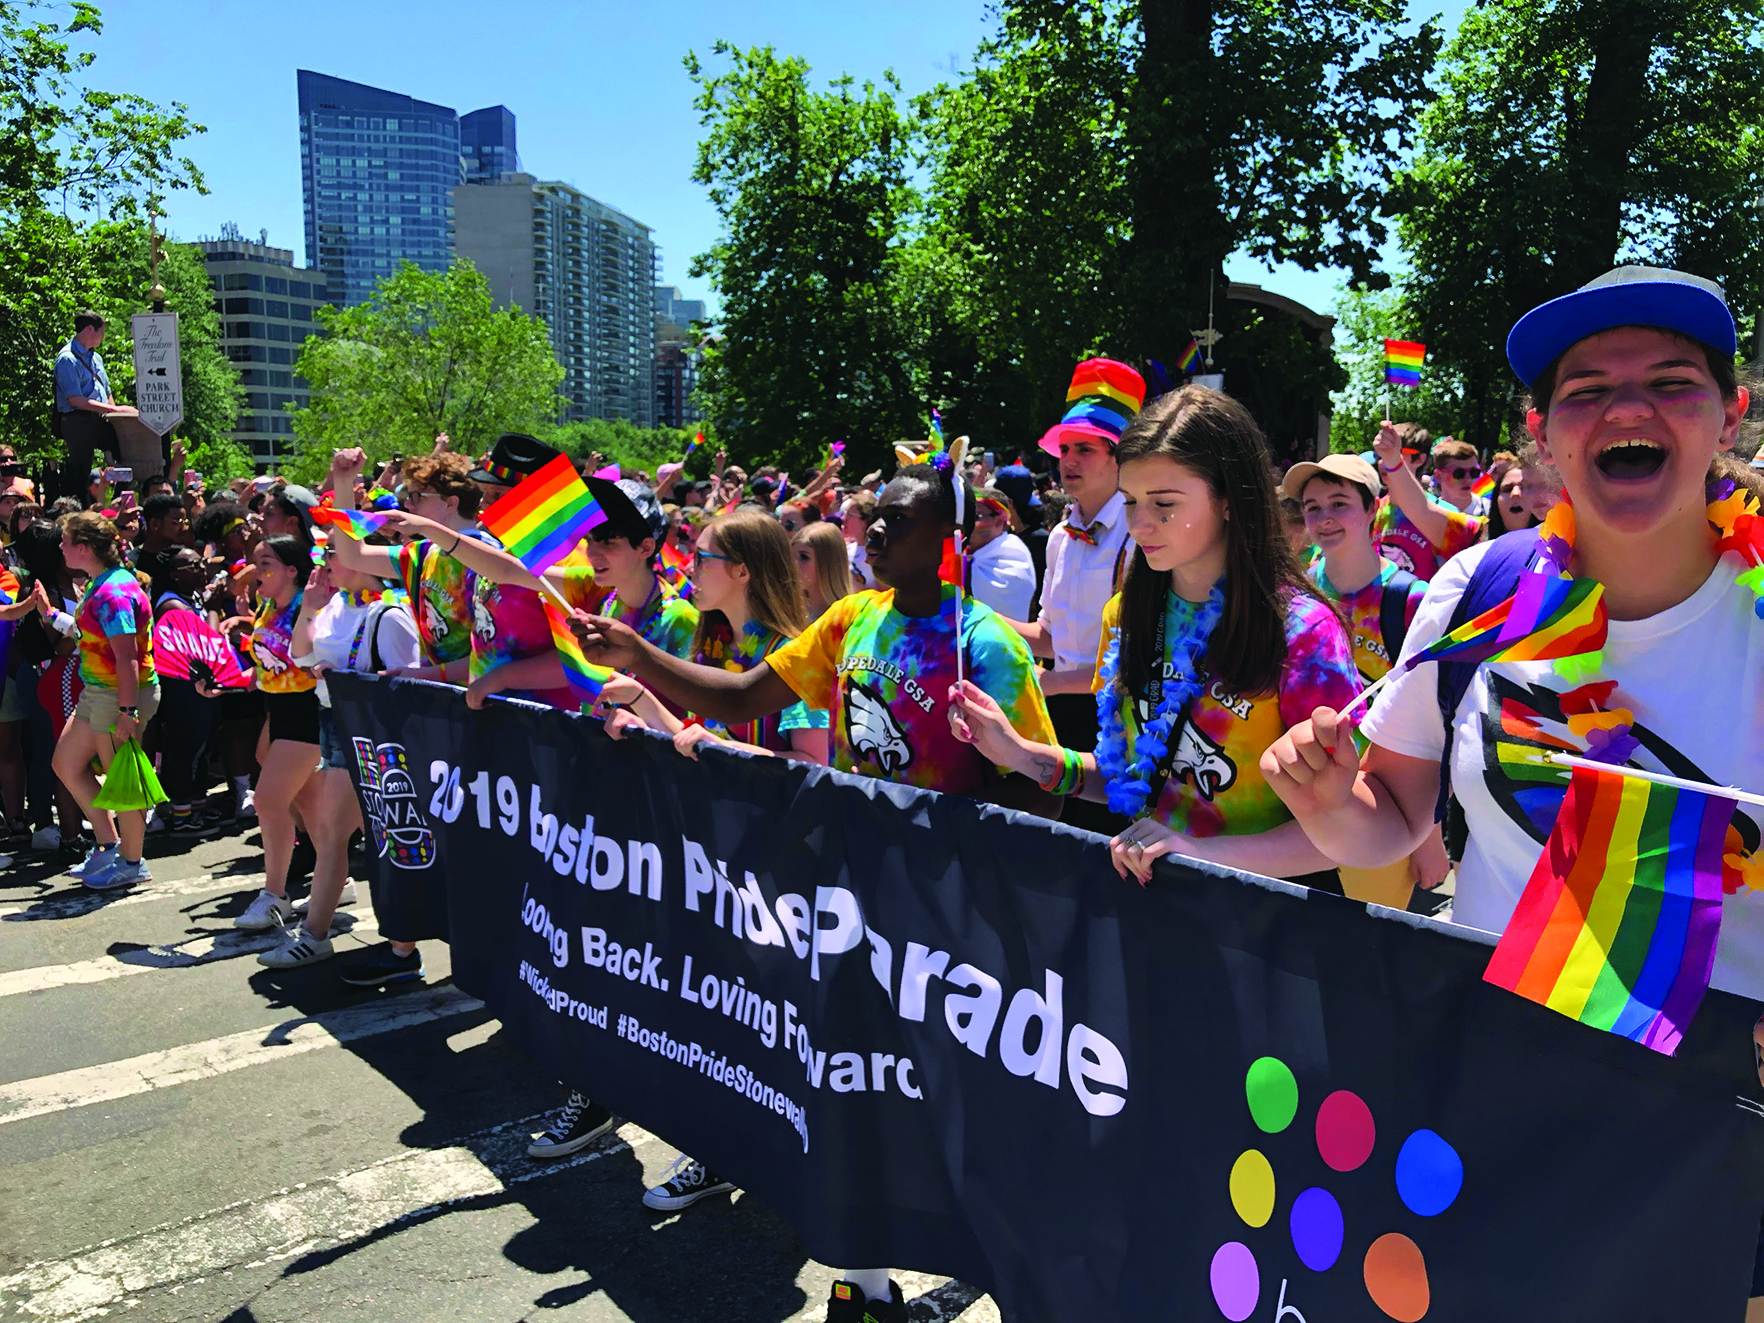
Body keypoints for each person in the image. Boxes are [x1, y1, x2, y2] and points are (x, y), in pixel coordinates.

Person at [1259, 271, 1764, 1316]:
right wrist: (1322, 809)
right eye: (1586, 392)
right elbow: (1393, 814)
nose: (1627, 409)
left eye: (1672, 381)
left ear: (1732, 411)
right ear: (1542, 433)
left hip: (1727, 1140)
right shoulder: (1480, 590)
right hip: (1506, 1111)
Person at [573, 458, 1055, 1321]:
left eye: (897, 522)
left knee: (959, 1103)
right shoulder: (849, 619)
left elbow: (1038, 791)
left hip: (955, 917)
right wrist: (642, 657)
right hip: (861, 901)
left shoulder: (986, 644)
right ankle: (868, 1289)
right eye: (872, 520)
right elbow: (742, 693)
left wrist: (978, 808)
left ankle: (999, 1261)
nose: (874, 534)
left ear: (944, 542)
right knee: (862, 1089)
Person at [950, 385, 1361, 887]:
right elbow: (1126, 778)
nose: (1140, 524)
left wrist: (1200, 854)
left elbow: (1344, 834)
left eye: (1164, 503)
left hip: (1263, 928)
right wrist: (1017, 751)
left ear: (1230, 500)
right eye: (1130, 501)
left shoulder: (1304, 633)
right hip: (1151, 908)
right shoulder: (1124, 613)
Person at [1280, 453, 1447, 906]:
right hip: (1303, 805)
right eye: (1312, 507)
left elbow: (1432, 725)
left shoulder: (1414, 600)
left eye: (1339, 503)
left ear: (1373, 508)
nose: (1324, 518)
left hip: (1382, 809)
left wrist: (1428, 836)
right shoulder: (1293, 596)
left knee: (1369, 954)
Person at [1004, 359, 1144, 837]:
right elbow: (1048, 635)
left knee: (1101, 847)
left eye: (1084, 449)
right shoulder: (1061, 535)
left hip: (1114, 719)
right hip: (1057, 709)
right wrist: (973, 618)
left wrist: (1051, 683)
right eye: (1064, 449)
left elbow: (1134, 659)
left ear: (1118, 457)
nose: (1068, 461)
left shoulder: (1141, 534)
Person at [266, 550, 420, 967]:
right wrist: (310, 610)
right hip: (333, 722)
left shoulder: (391, 614)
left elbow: (407, 686)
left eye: (335, 550)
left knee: (342, 834)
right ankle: (327, 936)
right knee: (337, 834)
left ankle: (319, 935)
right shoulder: (334, 604)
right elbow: (300, 657)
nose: (325, 558)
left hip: (371, 732)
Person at [51, 512, 160, 889]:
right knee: (66, 763)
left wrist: (127, 712)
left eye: (65, 541)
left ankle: (132, 862)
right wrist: (48, 614)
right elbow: (90, 636)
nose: (61, 547)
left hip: (118, 696)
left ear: (83, 548)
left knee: (122, 782)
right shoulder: (103, 583)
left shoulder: (114, 592)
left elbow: (128, 657)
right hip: (100, 692)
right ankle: (108, 845)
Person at [231, 536, 322, 931]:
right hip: (278, 709)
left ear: (292, 570)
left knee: (268, 802)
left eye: (265, 562)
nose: (255, 571)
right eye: (254, 561)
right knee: (310, 802)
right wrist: (229, 679)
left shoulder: (308, 605)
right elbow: (271, 661)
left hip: (307, 712)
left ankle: (276, 895)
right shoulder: (269, 604)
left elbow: (308, 661)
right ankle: (333, 881)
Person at [145, 546, 223, 836]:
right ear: (174, 575)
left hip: (204, 687)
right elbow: (207, 644)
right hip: (183, 689)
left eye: (202, 563)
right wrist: (214, 607)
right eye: (193, 565)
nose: (202, 568)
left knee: (203, 747)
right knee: (185, 749)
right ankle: (181, 815)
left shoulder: (192, 598)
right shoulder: (172, 605)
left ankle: (197, 806)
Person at [1371, 421, 1483, 579]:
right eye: (1380, 454)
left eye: (1396, 452)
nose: (1384, 462)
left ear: (1419, 460)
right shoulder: (1371, 511)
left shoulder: (1445, 514)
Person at [53, 312, 135, 502]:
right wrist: (113, 410)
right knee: (80, 470)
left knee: (123, 460)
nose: (103, 337)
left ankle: (117, 501)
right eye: (101, 332)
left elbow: (106, 391)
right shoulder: (67, 359)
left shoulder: (96, 358)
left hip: (101, 419)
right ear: (90, 329)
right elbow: (74, 399)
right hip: (77, 421)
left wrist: (117, 418)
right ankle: (82, 509)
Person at [965, 486, 1037, 620]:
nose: (965, 522)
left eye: (974, 517)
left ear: (998, 522)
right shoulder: (961, 552)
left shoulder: (1013, 556)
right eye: (964, 515)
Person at [793, 520, 853, 621]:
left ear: (829, 564)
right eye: (790, 556)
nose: (793, 564)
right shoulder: (785, 612)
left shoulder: (845, 620)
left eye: (803, 557)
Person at [1429, 437, 1488, 517]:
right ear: (1438, 476)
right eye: (1459, 473)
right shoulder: (1430, 513)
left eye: (1473, 472)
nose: (1468, 479)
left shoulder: (1491, 511)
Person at [838, 491, 878, 588]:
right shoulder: (847, 550)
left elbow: (885, 596)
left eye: (849, 514)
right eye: (844, 513)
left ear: (866, 520)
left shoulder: (878, 555)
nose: (843, 518)